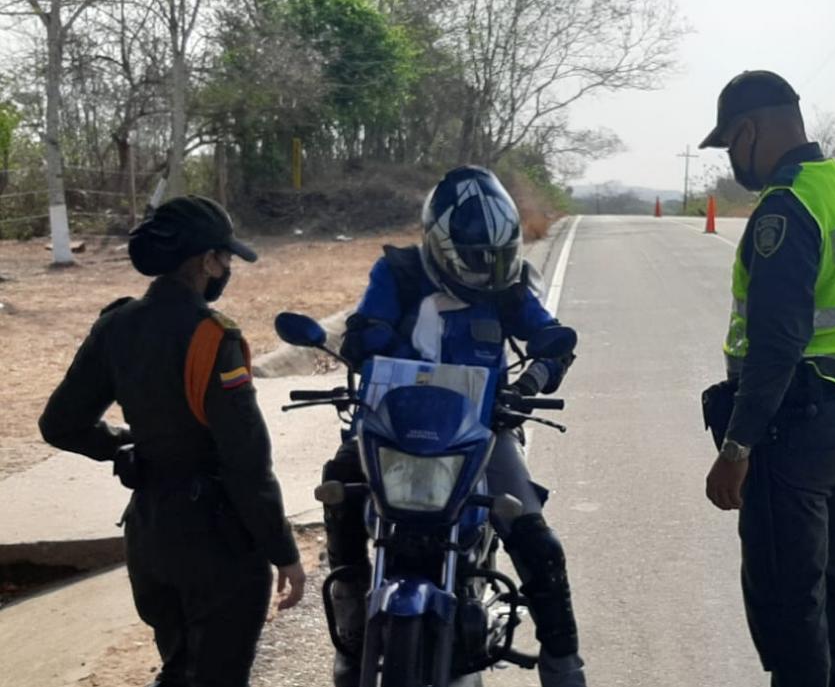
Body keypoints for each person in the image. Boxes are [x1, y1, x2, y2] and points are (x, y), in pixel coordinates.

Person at [322, 165, 586, 687]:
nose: (485, 266)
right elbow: (367, 324)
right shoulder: (397, 272)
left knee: (535, 539)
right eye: (474, 255)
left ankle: (563, 665)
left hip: (480, 431)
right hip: (391, 426)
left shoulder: (507, 286)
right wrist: (363, 339)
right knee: (341, 490)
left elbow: (548, 334)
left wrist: (540, 371)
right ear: (441, 243)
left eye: (495, 255)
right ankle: (352, 635)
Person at [39, 195, 306, 687]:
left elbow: (60, 424)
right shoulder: (212, 337)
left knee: (180, 667)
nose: (227, 268)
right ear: (207, 260)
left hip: (151, 538)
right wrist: (283, 552)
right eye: (225, 257)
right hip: (216, 547)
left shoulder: (115, 325)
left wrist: (123, 444)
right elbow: (246, 463)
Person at [698, 71, 835, 687]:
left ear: (750, 131)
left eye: (730, 144)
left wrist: (736, 448)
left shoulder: (786, 207)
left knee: (789, 605)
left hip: (797, 431)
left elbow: (776, 345)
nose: (732, 160)